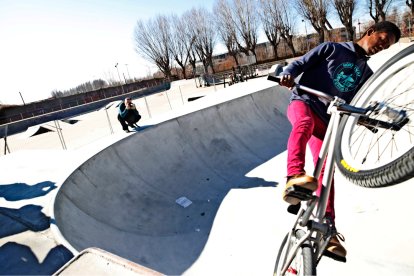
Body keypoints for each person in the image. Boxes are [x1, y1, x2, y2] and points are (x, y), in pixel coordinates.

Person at [279, 21, 401, 262]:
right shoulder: (332, 49)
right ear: (370, 32)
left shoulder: (367, 75)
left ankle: (328, 225)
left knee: (327, 170)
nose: (383, 46)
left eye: (387, 46)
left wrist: (370, 120)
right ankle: (294, 176)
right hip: (304, 102)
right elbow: (300, 64)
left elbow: (359, 106)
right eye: (383, 40)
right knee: (303, 125)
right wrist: (288, 74)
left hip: (327, 121)